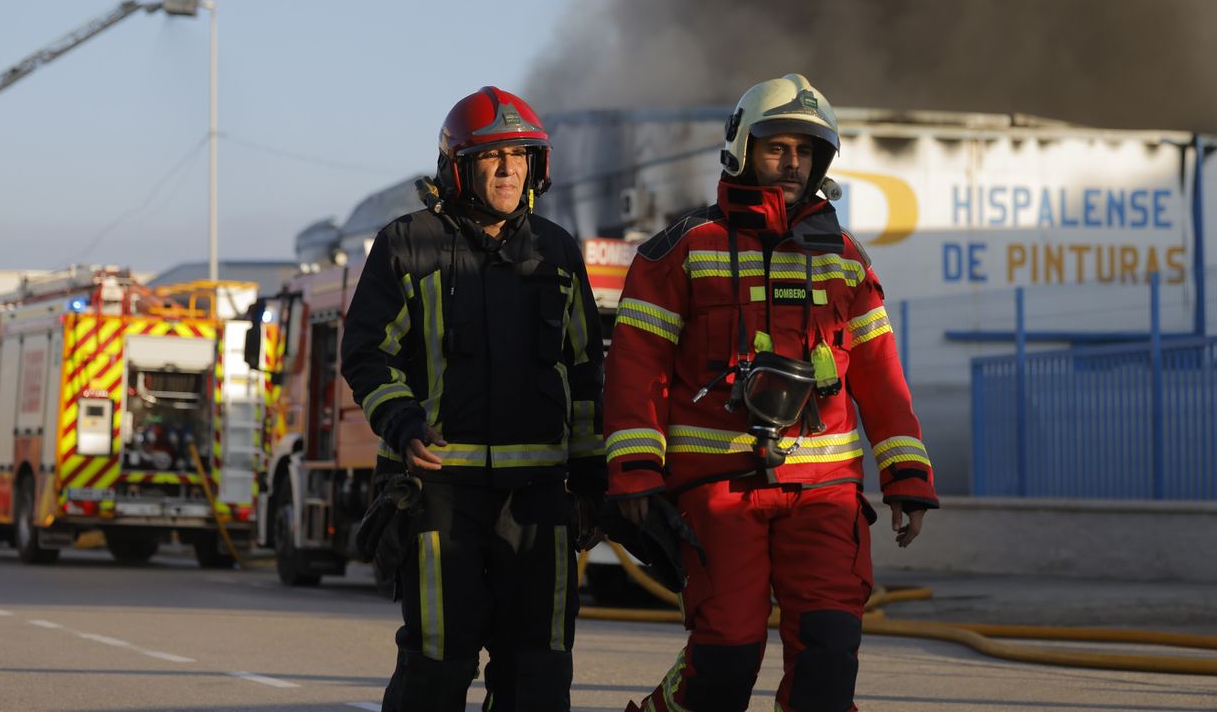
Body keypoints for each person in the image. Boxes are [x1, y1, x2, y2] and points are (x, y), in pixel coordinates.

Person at [604, 74, 938, 712]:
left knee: (829, 652)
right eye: (775, 148)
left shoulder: (845, 259)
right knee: (726, 657)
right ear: (741, 149)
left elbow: (881, 377)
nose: (790, 165)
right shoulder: (681, 251)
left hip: (825, 495)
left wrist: (907, 477)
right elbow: (637, 369)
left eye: (804, 152)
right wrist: (636, 473)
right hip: (718, 489)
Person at [342, 86, 605, 712]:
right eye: (493, 156)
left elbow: (587, 369)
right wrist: (403, 423)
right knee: (436, 664)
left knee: (539, 674)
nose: (510, 169)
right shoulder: (408, 245)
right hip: (441, 496)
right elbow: (366, 353)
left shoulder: (558, 253)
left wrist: (593, 477)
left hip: (539, 503)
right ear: (458, 166)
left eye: (521, 155)